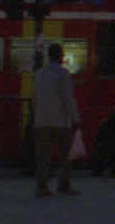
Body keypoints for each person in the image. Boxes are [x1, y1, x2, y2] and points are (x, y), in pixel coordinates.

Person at [31, 41, 80, 196]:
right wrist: (75, 118)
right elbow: (67, 98)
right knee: (65, 155)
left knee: (43, 157)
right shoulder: (63, 73)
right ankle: (63, 184)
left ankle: (42, 186)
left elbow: (35, 97)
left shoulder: (39, 73)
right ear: (60, 56)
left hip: (42, 121)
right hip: (60, 121)